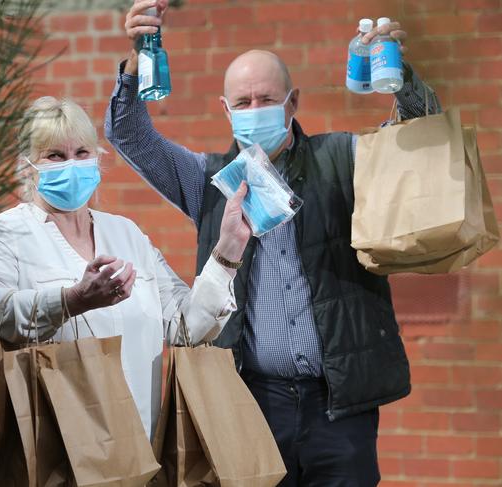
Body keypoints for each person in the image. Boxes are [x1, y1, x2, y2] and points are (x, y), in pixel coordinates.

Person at [105, 1, 442, 485]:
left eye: (267, 99)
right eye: (242, 103)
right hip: (250, 401)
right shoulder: (210, 181)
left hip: (339, 405)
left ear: (294, 102)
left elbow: (418, 136)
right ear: (225, 110)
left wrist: (401, 78)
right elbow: (130, 136)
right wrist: (138, 60)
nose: (254, 110)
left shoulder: (342, 159)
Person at [0, 95, 251, 439]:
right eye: (54, 155)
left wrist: (228, 249)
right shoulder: (6, 231)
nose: (71, 164)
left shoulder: (125, 233)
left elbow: (185, 327)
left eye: (82, 153)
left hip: (138, 444)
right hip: (53, 450)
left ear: (96, 161)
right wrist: (70, 300)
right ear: (28, 167)